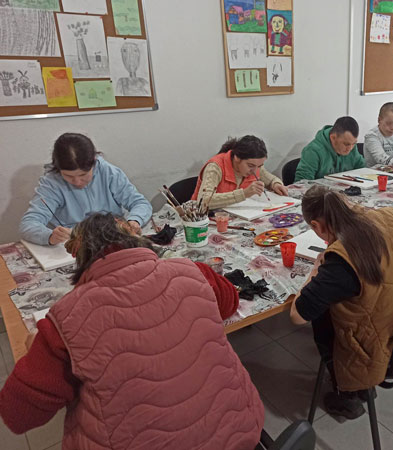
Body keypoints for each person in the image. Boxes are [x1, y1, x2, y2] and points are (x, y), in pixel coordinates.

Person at [0, 213, 264, 450]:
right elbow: (230, 301)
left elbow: (17, 415)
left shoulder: (66, 316)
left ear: (78, 258)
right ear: (138, 238)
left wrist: (35, 349)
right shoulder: (191, 270)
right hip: (239, 432)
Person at [289, 186, 393, 419]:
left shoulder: (341, 259)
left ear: (316, 226)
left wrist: (316, 269)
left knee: (324, 316)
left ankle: (348, 394)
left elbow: (297, 315)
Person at [19, 133, 152, 246]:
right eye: (69, 176)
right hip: (75, 244)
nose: (77, 182)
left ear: (93, 162)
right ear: (58, 169)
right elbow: (29, 224)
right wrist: (49, 236)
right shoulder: (51, 183)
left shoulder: (109, 173)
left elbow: (140, 203)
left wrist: (135, 220)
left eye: (83, 175)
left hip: (113, 236)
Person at [192, 135, 288, 209]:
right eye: (250, 166)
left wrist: (276, 184)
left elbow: (271, 179)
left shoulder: (255, 166)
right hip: (204, 219)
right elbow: (203, 200)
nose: (255, 170)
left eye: (259, 166)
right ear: (237, 158)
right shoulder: (215, 167)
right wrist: (244, 193)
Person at [294, 116, 365, 182]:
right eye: (346, 144)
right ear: (333, 138)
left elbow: (363, 170)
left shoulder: (351, 146)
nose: (350, 148)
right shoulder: (312, 151)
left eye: (354, 143)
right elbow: (301, 184)